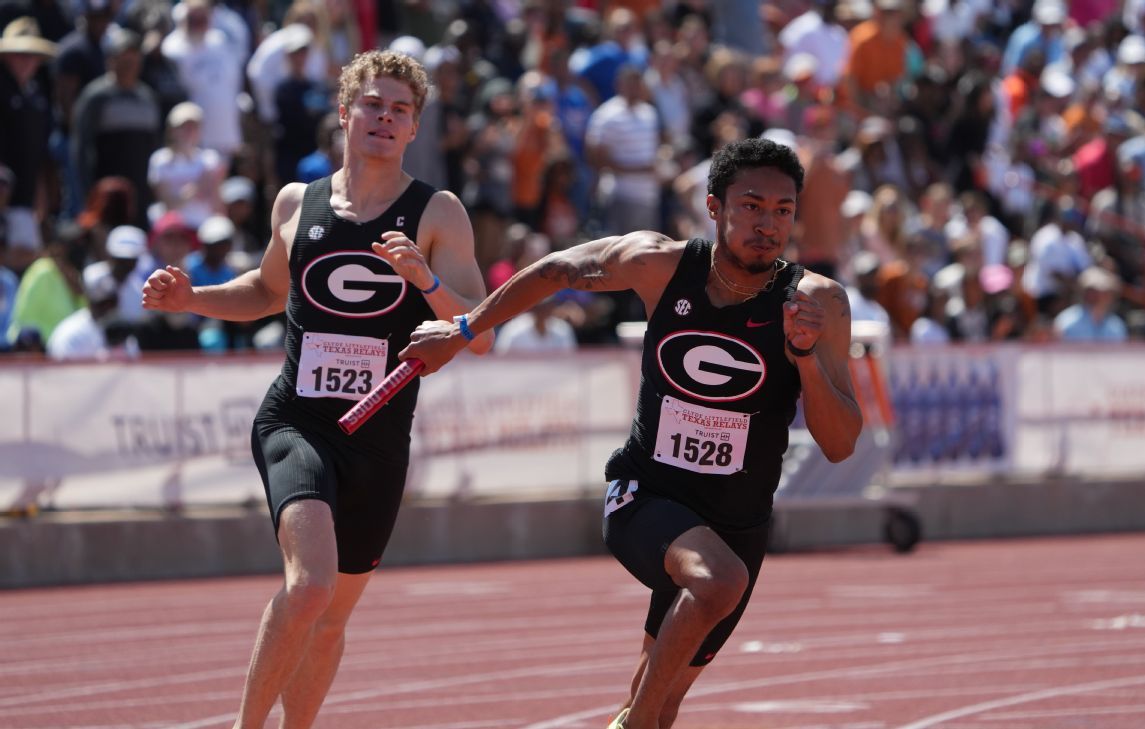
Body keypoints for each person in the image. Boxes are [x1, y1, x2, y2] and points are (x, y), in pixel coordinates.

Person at [399, 138, 862, 729]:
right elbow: (558, 270)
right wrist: (462, 329)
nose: (767, 224)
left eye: (782, 210)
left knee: (663, 701)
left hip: (737, 523)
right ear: (714, 207)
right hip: (647, 494)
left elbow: (842, 441)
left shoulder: (817, 302)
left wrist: (804, 359)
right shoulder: (660, 264)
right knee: (717, 587)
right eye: (751, 206)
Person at [140, 49, 493, 728]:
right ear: (344, 113)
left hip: (379, 438)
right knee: (309, 588)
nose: (384, 120)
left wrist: (425, 281)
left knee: (330, 621)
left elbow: (479, 331)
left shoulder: (437, 212)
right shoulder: (296, 203)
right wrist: (193, 298)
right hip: (296, 421)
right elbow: (267, 291)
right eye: (373, 105)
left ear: (415, 128)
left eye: (400, 111)